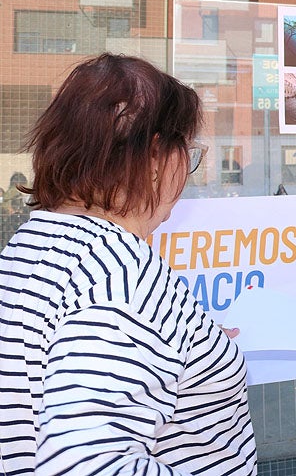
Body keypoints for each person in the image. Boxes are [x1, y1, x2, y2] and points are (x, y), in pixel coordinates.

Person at [0, 53, 256, 474]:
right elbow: (86, 465)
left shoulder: (32, 244)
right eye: (187, 153)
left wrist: (189, 342)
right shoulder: (121, 277)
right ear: (155, 156)